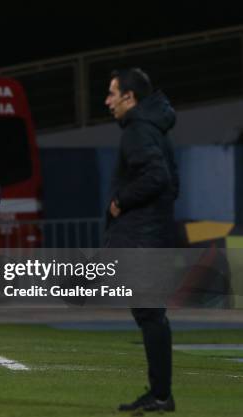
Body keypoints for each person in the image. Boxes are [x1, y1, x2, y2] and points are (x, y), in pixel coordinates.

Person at [104, 68, 178, 412]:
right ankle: (160, 393)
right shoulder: (153, 128)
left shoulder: (137, 129)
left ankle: (161, 395)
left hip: (142, 238)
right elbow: (171, 182)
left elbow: (157, 177)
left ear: (129, 97)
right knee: (150, 314)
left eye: (112, 94)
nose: (108, 102)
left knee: (150, 315)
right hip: (152, 232)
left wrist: (121, 201)